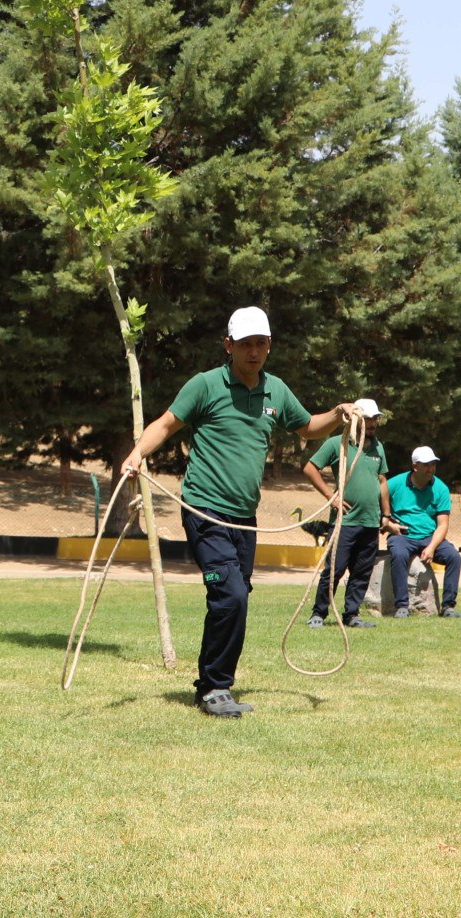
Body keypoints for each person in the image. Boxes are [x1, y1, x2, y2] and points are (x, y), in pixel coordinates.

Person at [122, 306, 355, 718]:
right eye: (245, 344)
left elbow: (307, 428)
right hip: (204, 510)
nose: (253, 352)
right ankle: (214, 687)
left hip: (244, 518)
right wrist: (137, 454)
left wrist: (339, 415)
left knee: (234, 597)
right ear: (228, 345)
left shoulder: (275, 391)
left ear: (270, 345)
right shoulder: (205, 385)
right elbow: (166, 424)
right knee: (229, 594)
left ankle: (214, 684)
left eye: (260, 343)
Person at [301, 397, 390, 629]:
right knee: (334, 570)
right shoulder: (336, 444)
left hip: (370, 522)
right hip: (345, 521)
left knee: (362, 572)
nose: (373, 424)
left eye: (375, 419)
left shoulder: (378, 447)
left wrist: (386, 514)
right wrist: (332, 497)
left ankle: (352, 614)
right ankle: (318, 613)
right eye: (368, 419)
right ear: (355, 419)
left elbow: (382, 480)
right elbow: (310, 468)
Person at [384, 446, 461, 619]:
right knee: (399, 554)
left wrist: (432, 547)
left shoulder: (440, 488)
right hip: (402, 536)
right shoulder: (394, 484)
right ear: (415, 466)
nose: (431, 468)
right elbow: (375, 505)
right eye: (426, 465)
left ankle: (448, 606)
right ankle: (402, 607)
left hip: (429, 537)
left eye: (433, 464)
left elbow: (442, 525)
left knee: (454, 557)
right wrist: (388, 524)